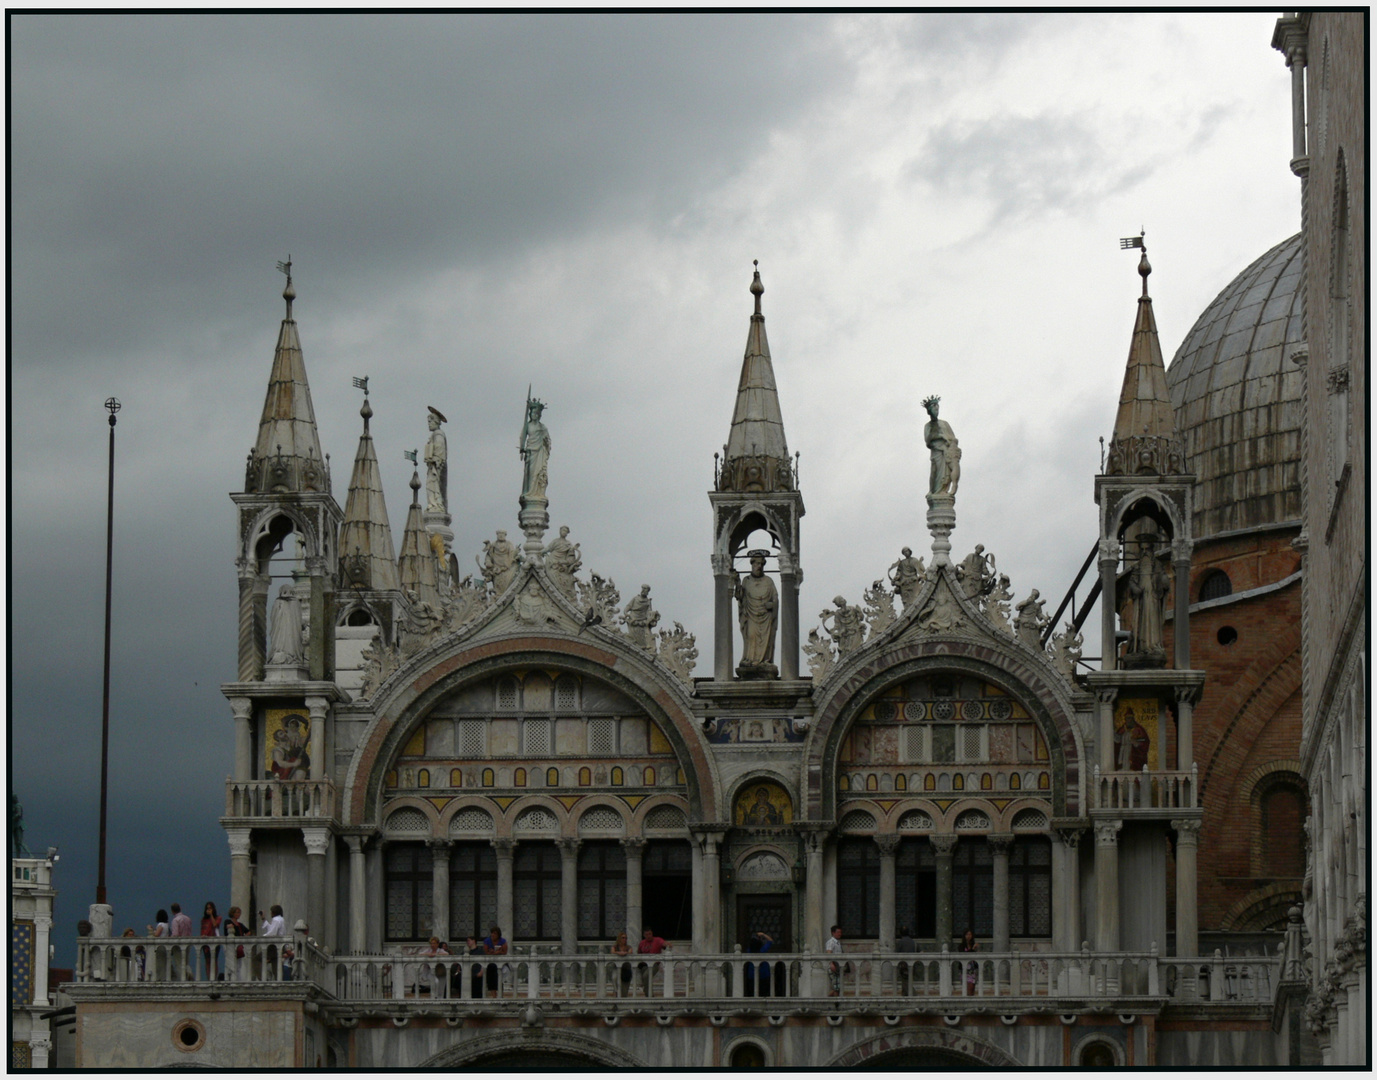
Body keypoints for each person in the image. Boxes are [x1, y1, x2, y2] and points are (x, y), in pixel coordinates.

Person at [733, 551, 778, 673]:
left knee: (765, 640)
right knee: (751, 636)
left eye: (761, 564)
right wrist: (737, 583)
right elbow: (739, 596)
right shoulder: (746, 581)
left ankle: (764, 661)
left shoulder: (769, 581)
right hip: (751, 614)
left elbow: (775, 597)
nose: (759, 566)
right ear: (752, 564)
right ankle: (749, 659)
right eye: (756, 563)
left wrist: (773, 604)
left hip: (766, 616)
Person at [466, 925, 508, 998]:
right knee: (491, 978)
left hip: (501, 963)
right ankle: (494, 995)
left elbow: (505, 952)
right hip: (490, 964)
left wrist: (498, 952)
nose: (493, 935)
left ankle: (500, 995)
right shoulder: (487, 941)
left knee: (500, 978)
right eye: (492, 933)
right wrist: (494, 952)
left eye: (495, 933)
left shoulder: (503, 941)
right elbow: (485, 953)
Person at [637, 926, 668, 997]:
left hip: (654, 964)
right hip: (644, 965)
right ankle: (648, 993)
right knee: (646, 979)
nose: (648, 936)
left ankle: (649, 995)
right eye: (646, 934)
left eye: (650, 934)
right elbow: (639, 953)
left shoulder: (657, 940)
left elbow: (663, 943)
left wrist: (667, 944)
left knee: (646, 976)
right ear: (644, 935)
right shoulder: (642, 943)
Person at [222, 906, 249, 982]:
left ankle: (237, 980)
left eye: (239, 912)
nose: (238, 914)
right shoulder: (228, 921)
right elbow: (227, 926)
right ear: (233, 913)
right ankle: (231, 980)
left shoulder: (240, 925)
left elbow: (248, 932)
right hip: (230, 946)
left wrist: (242, 937)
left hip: (238, 946)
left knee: (239, 965)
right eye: (237, 912)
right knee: (231, 964)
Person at [260, 904, 286, 979]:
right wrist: (263, 919)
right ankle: (279, 981)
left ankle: (263, 978)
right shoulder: (281, 919)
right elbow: (271, 929)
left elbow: (272, 933)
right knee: (276, 966)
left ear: (274, 912)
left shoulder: (276, 920)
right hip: (280, 945)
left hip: (274, 946)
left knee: (257, 960)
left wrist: (262, 937)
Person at [168, 903, 193, 980]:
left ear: (172, 911)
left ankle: (182, 979)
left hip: (178, 946)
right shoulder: (188, 918)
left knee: (179, 964)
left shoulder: (175, 920)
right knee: (186, 962)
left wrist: (169, 938)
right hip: (187, 943)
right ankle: (189, 973)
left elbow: (175, 934)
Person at [200, 902, 223, 981]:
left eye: (210, 908)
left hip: (215, 941)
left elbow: (215, 925)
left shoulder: (218, 917)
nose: (208, 910)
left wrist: (211, 915)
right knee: (207, 961)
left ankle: (214, 978)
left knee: (214, 960)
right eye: (207, 908)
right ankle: (209, 978)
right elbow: (202, 930)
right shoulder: (204, 919)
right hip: (206, 942)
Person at [610, 931, 634, 997]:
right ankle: (615, 991)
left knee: (624, 992)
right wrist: (619, 953)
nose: (624, 939)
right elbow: (612, 952)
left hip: (626, 969)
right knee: (614, 977)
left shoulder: (628, 947)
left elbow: (630, 952)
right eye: (623, 938)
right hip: (616, 967)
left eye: (626, 938)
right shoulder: (615, 947)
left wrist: (625, 953)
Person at [895, 925, 916, 995]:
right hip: (913, 965)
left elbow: (896, 954)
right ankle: (904, 996)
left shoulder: (900, 942)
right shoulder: (913, 942)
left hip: (904, 966)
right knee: (906, 982)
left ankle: (914, 996)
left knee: (906, 982)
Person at [826, 925, 844, 996]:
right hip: (833, 966)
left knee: (838, 986)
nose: (839, 934)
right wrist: (831, 964)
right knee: (836, 987)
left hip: (838, 966)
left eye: (840, 932)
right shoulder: (831, 942)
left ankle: (834, 1001)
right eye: (838, 932)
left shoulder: (838, 942)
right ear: (833, 933)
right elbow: (828, 953)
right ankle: (829, 1001)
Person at [754, 931, 774, 997]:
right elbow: (770, 941)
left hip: (754, 975)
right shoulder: (762, 950)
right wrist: (763, 935)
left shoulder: (750, 950)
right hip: (763, 975)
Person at [960, 928, 979, 995]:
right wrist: (972, 949)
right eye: (967, 934)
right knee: (968, 987)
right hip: (966, 969)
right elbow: (965, 955)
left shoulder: (972, 944)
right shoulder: (962, 946)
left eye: (970, 934)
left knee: (973, 987)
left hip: (972, 969)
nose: (969, 936)